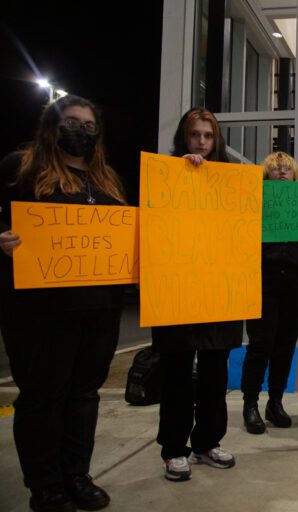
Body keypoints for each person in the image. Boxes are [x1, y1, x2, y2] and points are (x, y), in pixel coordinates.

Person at [0, 95, 124, 512]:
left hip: (99, 308)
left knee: (85, 395)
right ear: (52, 126)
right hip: (40, 311)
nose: (81, 131)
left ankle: (76, 475)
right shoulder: (21, 169)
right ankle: (45, 485)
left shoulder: (107, 180)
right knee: (42, 396)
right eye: (72, 122)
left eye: (89, 126)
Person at [152, 108, 241, 481]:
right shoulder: (164, 176)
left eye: (208, 135)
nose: (202, 142)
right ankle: (174, 450)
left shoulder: (232, 182)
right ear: (183, 139)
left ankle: (207, 442)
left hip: (219, 292)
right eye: (195, 135)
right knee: (175, 373)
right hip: (178, 291)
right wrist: (182, 174)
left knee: (214, 374)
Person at [241, 151, 298, 434]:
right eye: (275, 168)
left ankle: (275, 402)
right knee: (260, 344)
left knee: (285, 343)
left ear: (295, 174)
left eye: (287, 169)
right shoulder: (257, 203)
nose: (282, 172)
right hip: (263, 279)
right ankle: (250, 404)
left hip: (297, 281)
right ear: (266, 174)